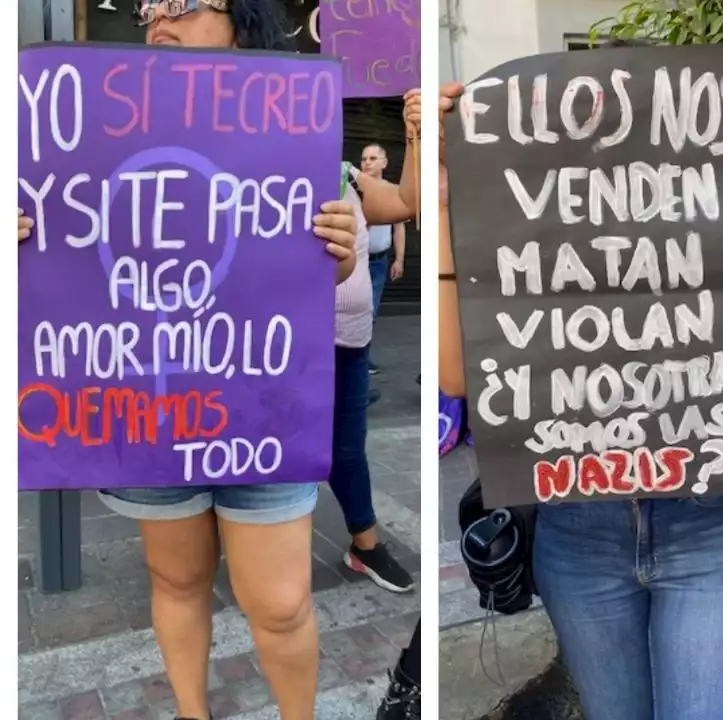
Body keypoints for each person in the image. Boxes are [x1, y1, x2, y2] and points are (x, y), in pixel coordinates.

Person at [15, 3, 416, 719]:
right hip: (148, 407)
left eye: (183, 2)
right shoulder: (86, 143)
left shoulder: (297, 136)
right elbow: (67, 255)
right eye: (149, 7)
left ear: (242, 24)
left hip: (262, 409)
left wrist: (337, 252)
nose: (157, 17)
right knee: (176, 581)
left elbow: (320, 260)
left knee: (283, 603)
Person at [437, 84, 723, 720]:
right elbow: (457, 379)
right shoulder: (517, 252)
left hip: (709, 527)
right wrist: (450, 211)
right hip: (576, 531)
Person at [330, 162, 417, 595]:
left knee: (347, 448)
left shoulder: (346, 176)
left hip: (349, 342)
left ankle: (365, 545)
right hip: (284, 348)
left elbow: (407, 201)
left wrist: (414, 135)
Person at [357, 144, 407, 403]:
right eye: (364, 158)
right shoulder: (354, 189)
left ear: (385, 163)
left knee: (371, 311)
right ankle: (358, 359)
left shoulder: (393, 192)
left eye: (373, 158)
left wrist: (399, 258)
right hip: (357, 261)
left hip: (378, 261)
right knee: (359, 311)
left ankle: (362, 356)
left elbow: (399, 228)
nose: (367, 162)